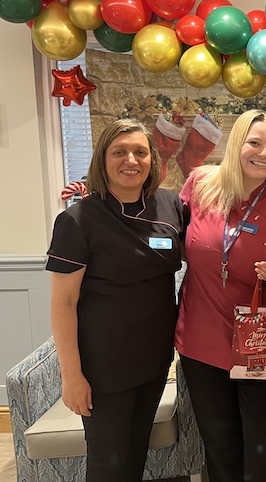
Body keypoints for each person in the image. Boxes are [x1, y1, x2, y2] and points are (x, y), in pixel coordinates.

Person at [176, 110, 266, 482]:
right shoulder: (200, 185)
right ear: (237, 143)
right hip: (201, 337)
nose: (263, 154)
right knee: (219, 440)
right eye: (255, 143)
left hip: (262, 339)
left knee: (263, 441)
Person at [47, 119, 184, 482]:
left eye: (140, 152)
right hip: (103, 367)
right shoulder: (78, 220)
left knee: (136, 451)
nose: (131, 160)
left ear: (153, 159)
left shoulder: (170, 206)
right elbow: (63, 304)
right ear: (102, 159)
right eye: (119, 152)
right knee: (108, 463)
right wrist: (72, 376)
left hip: (154, 361)